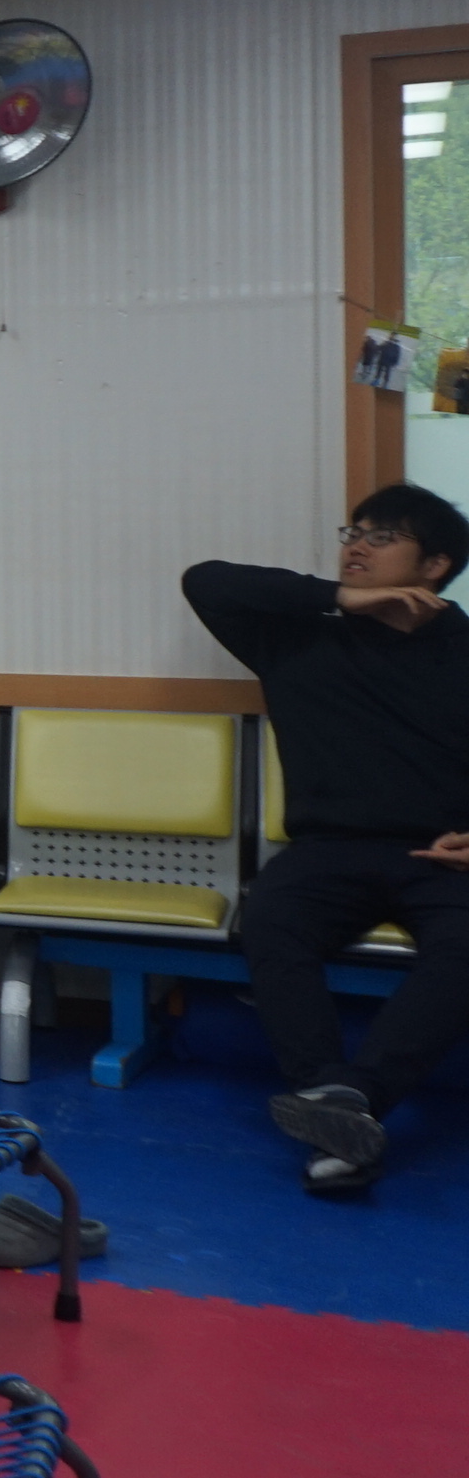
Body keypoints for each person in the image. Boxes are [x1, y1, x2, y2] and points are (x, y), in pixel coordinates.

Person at [184, 485, 469, 1196]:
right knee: (272, 919)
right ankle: (333, 1095)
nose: (356, 547)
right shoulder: (300, 637)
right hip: (327, 850)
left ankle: (353, 1102)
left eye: (382, 537)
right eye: (354, 533)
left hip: (442, 856)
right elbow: (205, 581)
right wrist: (342, 599)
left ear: (435, 564)